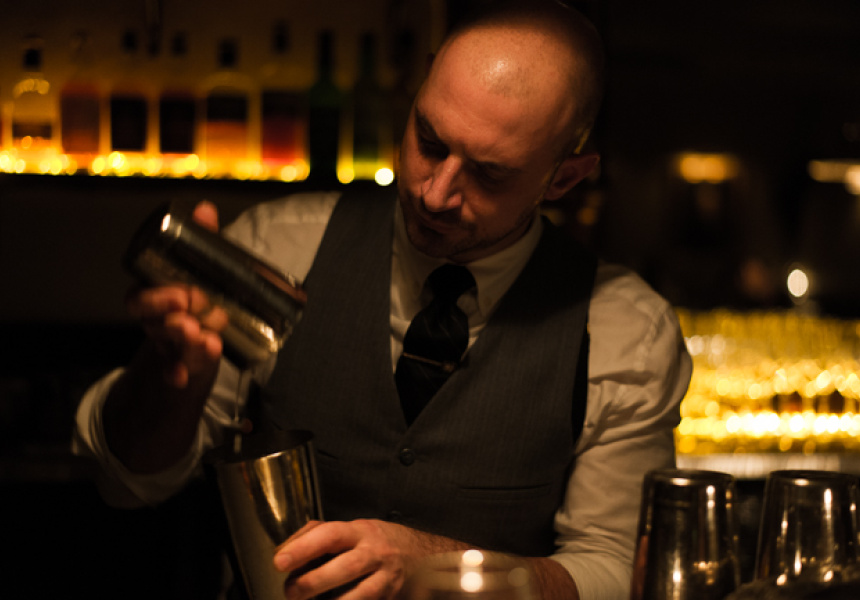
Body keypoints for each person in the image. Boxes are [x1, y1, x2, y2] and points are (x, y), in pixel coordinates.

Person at [73, 1, 692, 599]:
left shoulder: (625, 331)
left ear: (564, 177)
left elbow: (616, 571)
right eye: (429, 140)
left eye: (488, 173)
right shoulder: (281, 247)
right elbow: (123, 483)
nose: (435, 193)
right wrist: (166, 380)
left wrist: (442, 567)